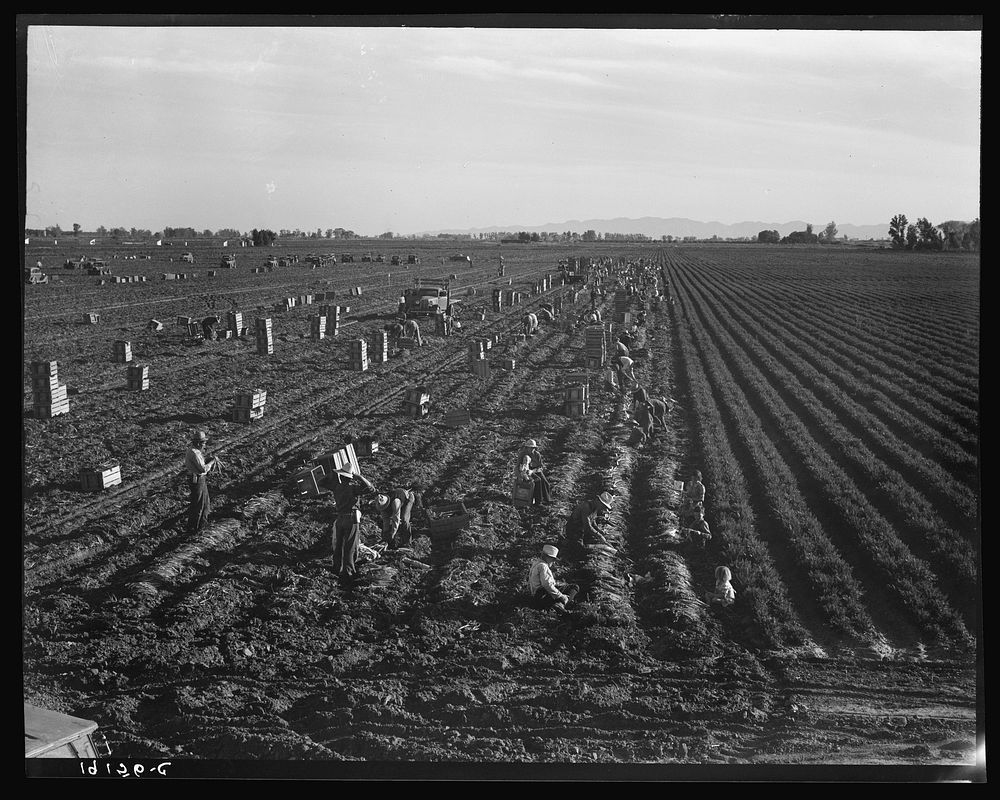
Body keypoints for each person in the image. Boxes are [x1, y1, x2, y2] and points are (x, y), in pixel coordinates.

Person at [331, 469, 377, 584]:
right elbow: (371, 488)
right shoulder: (353, 489)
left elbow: (321, 482)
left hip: (340, 518)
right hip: (351, 518)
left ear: (341, 477)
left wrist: (331, 474)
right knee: (350, 545)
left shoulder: (337, 487)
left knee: (339, 545)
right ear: (351, 478)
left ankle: (336, 568)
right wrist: (359, 477)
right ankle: (348, 571)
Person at [184, 430, 220, 535]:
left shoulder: (194, 451)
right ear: (199, 443)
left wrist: (208, 459)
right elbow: (203, 469)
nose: (204, 445)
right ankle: (195, 528)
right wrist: (213, 461)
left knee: (205, 502)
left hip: (199, 479)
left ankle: (202, 524)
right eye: (203, 443)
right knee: (199, 504)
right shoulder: (194, 453)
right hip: (197, 479)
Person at [527, 545, 579, 611]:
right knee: (574, 587)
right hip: (542, 596)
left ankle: (557, 604)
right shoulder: (543, 566)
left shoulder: (536, 563)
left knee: (563, 586)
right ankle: (561, 605)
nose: (553, 561)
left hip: (536, 597)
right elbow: (547, 584)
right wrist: (561, 596)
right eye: (553, 559)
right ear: (547, 557)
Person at [516, 439, 552, 506]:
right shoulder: (522, 454)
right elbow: (517, 467)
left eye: (533, 448)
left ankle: (547, 500)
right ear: (527, 448)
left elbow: (540, 467)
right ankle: (538, 501)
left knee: (546, 483)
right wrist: (519, 476)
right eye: (530, 448)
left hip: (535, 470)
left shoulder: (537, 454)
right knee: (538, 481)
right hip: (526, 472)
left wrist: (533, 471)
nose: (531, 449)